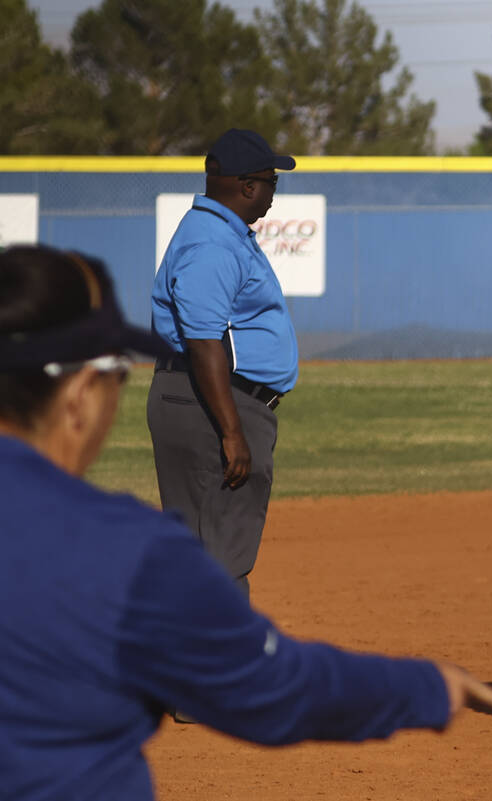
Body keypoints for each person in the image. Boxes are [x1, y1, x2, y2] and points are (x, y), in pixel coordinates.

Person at [0, 245, 492, 801]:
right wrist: (426, 687)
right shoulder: (120, 550)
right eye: (117, 374)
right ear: (79, 394)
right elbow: (272, 689)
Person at [147, 128, 297, 601]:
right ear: (248, 186)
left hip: (207, 400)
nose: (274, 193)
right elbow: (205, 340)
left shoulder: (220, 233)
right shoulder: (212, 243)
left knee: (203, 553)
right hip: (213, 405)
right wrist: (231, 431)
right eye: (272, 181)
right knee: (221, 556)